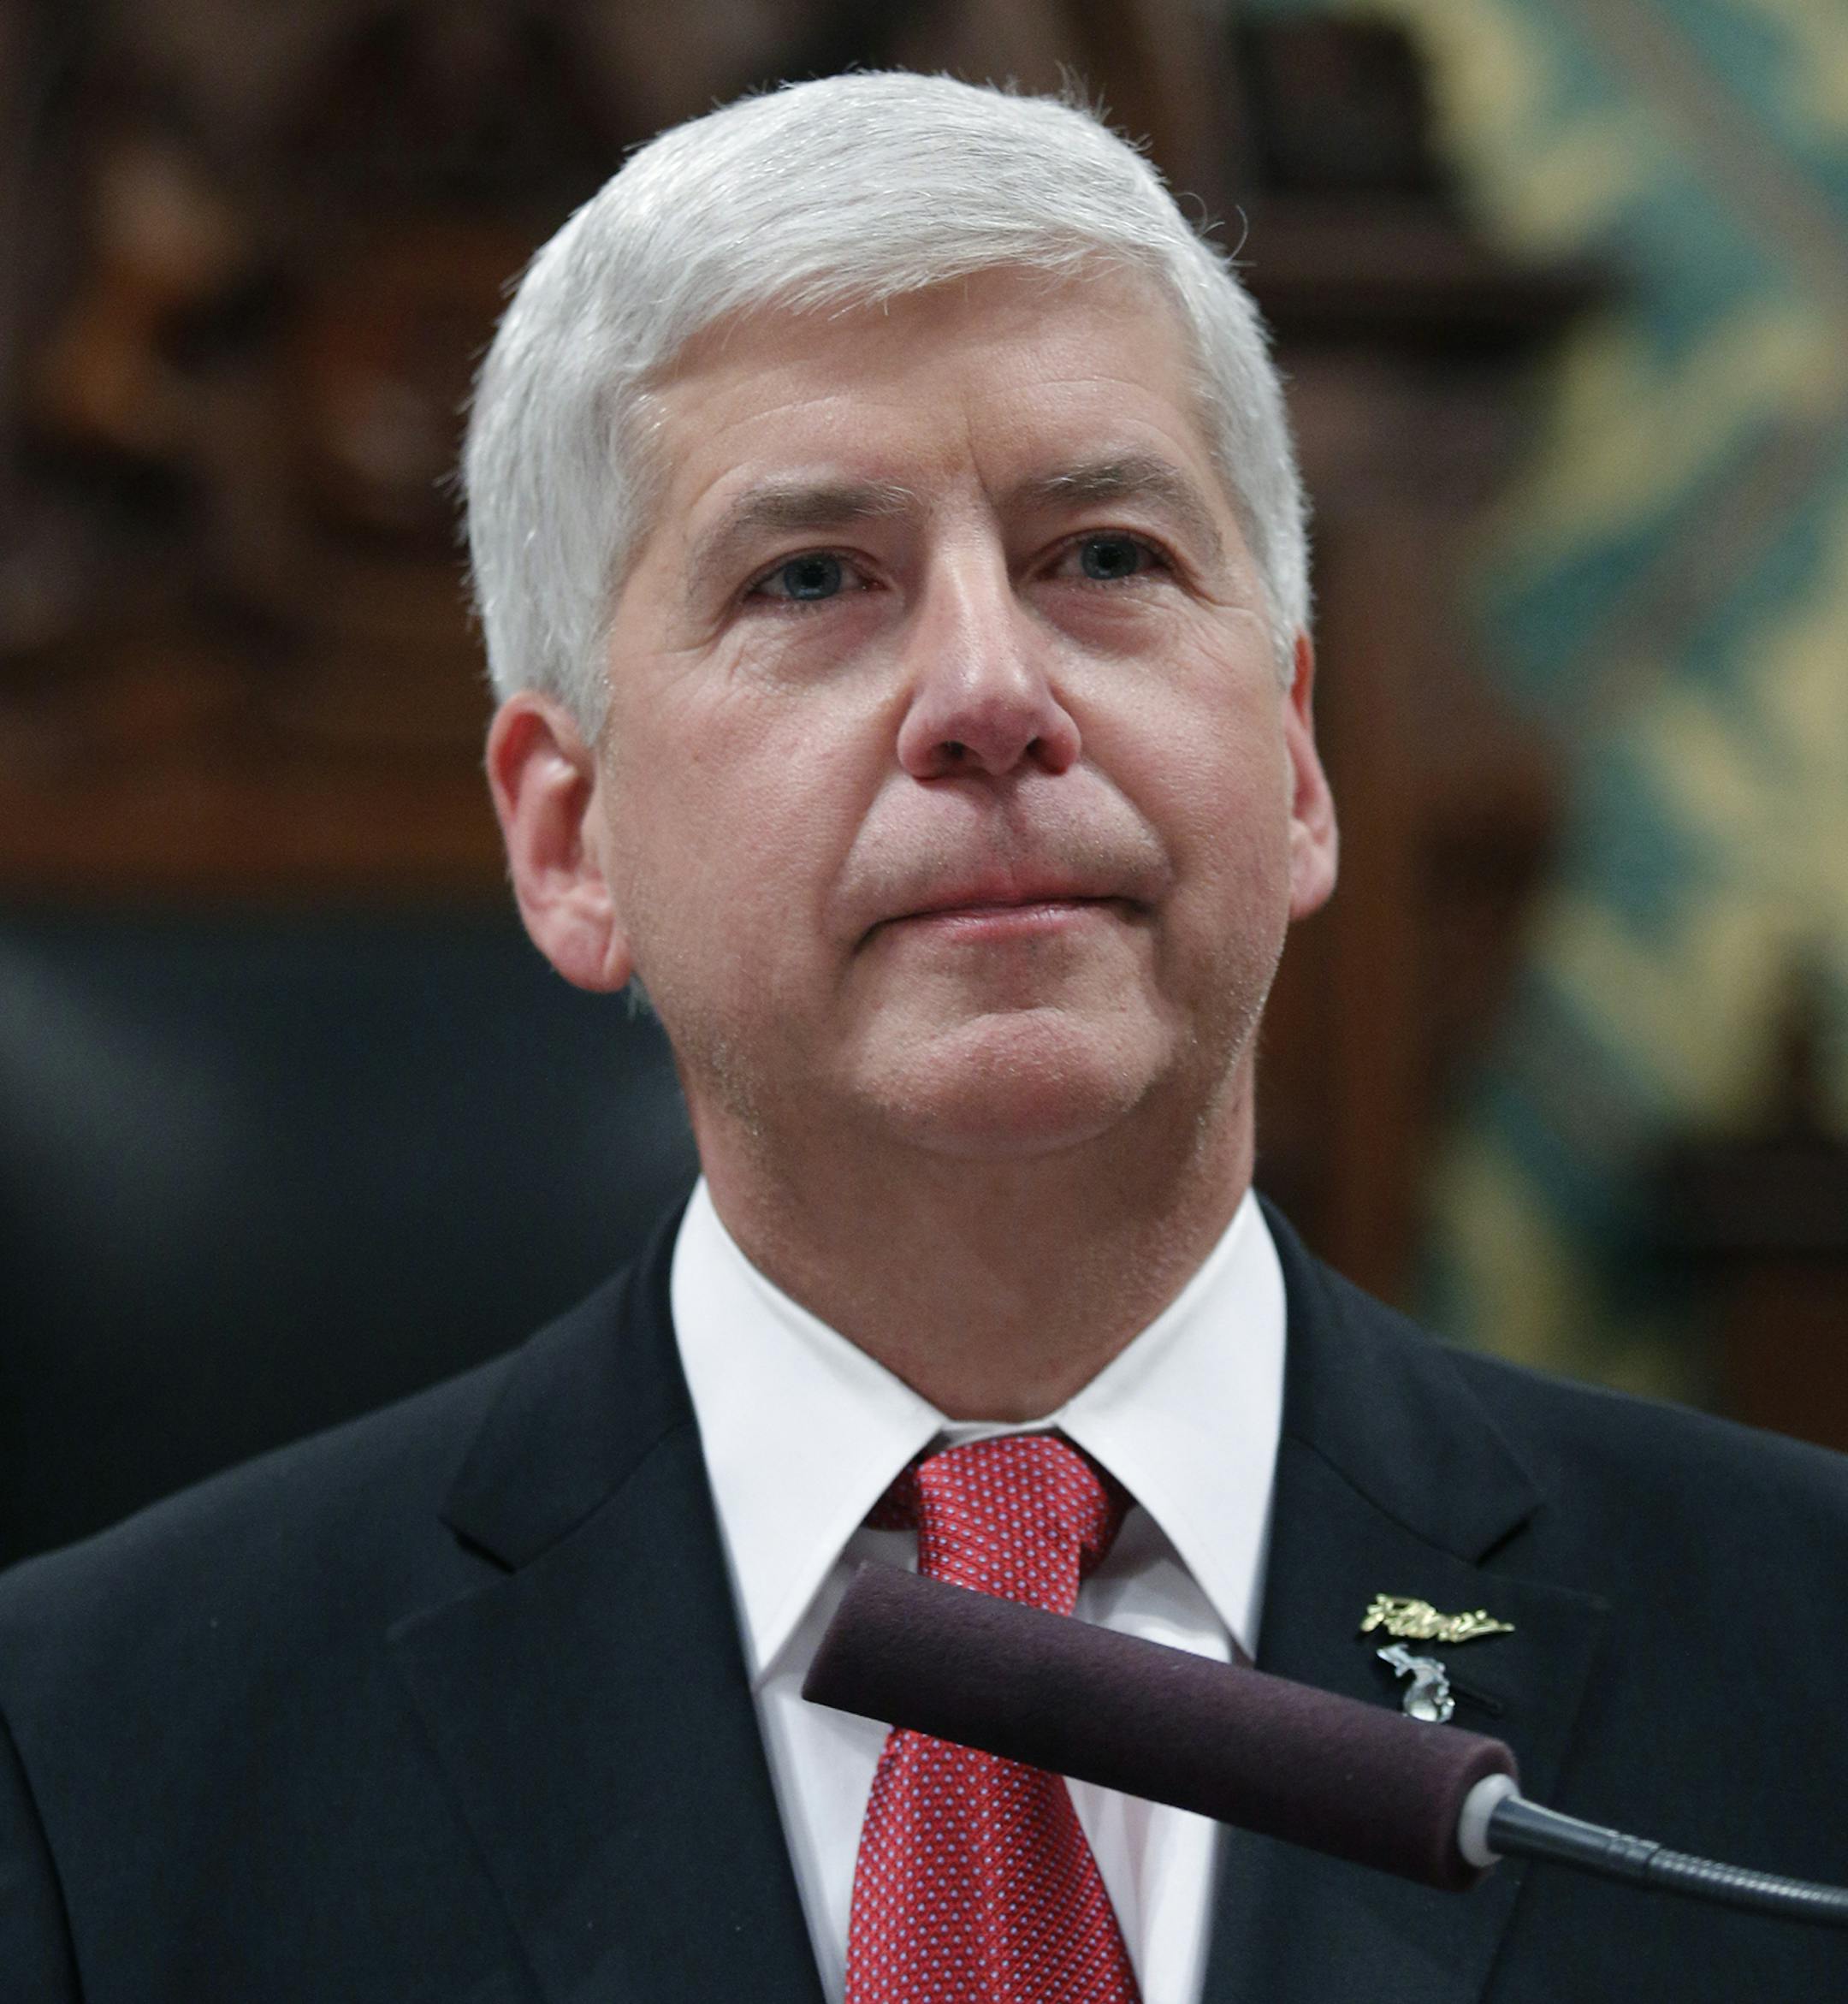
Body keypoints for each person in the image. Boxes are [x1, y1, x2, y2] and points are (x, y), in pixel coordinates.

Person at [1, 72, 1844, 2004]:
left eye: (1106, 556)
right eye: (813, 578)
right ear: (569, 836)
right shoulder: (100, 1751)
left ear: (1296, 767)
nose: (989, 691)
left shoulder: (1808, 1665)